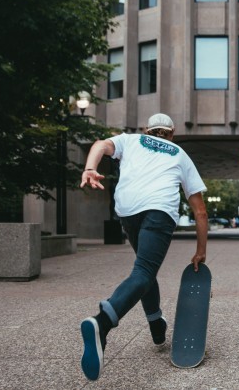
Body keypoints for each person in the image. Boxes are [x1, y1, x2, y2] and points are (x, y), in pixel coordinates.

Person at [78, 113, 208, 381]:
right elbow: (201, 212)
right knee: (145, 271)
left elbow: (100, 144)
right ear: (171, 134)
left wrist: (90, 168)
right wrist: (200, 251)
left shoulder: (130, 140)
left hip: (128, 209)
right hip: (159, 209)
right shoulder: (180, 153)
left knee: (144, 270)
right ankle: (102, 322)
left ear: (147, 130)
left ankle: (156, 325)